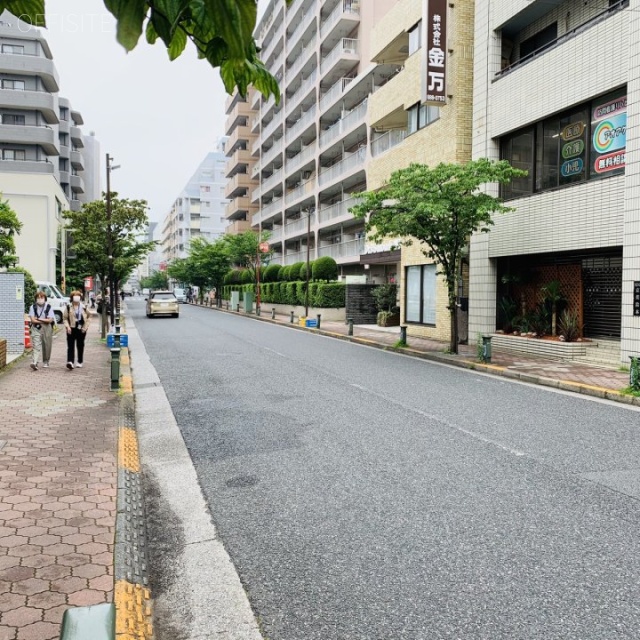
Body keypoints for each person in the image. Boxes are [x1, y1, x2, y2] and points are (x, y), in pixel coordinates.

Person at [28, 292, 56, 370]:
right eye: (38, 298)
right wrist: (44, 320)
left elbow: (50, 320)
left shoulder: (49, 307)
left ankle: (46, 361)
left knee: (47, 345)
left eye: (42, 298)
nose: (40, 299)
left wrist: (39, 319)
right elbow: (33, 320)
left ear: (45, 299)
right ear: (36, 299)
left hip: (47, 328)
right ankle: (35, 362)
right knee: (36, 345)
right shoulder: (32, 307)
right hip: (36, 327)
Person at [63, 290, 90, 370]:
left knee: (80, 345)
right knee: (70, 346)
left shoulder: (84, 307)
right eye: (75, 296)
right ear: (72, 298)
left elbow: (89, 317)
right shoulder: (68, 307)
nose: (76, 298)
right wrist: (67, 327)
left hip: (81, 329)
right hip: (71, 328)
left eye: (78, 296)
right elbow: (65, 318)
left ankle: (80, 361)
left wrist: (85, 327)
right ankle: (70, 361)